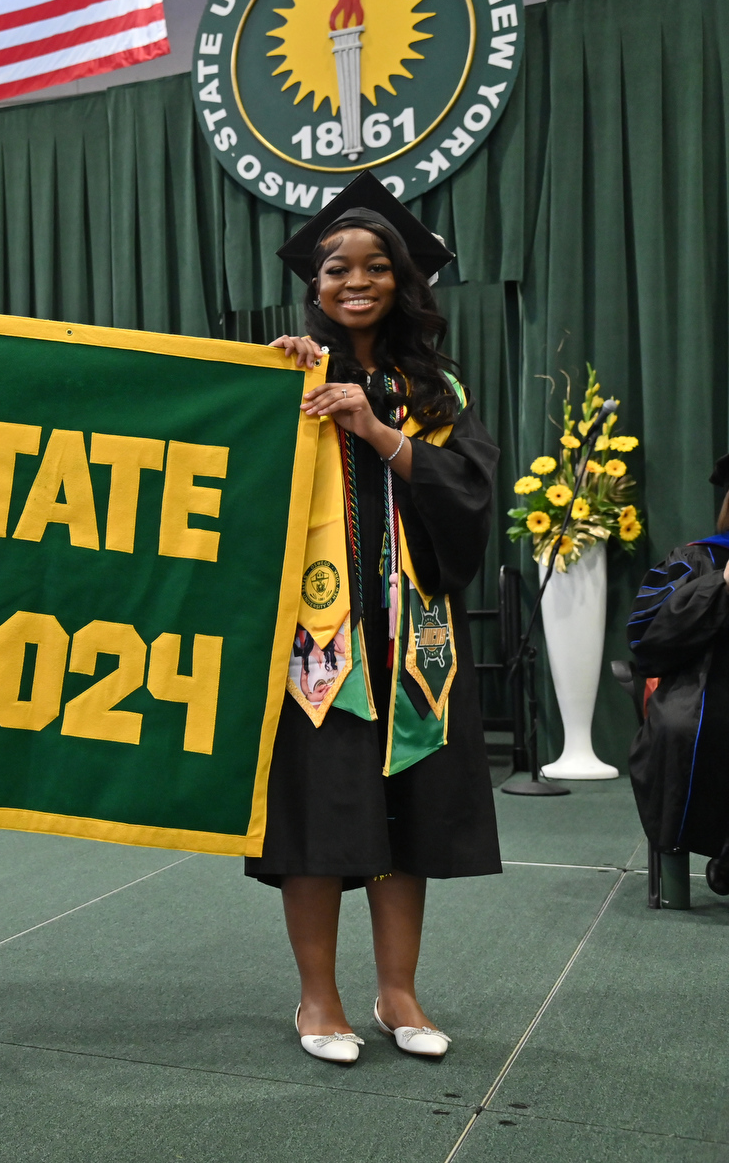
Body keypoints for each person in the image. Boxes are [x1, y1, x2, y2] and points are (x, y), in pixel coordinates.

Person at [257, 171, 500, 1064]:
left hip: (414, 644)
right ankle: (317, 1000)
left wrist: (379, 429)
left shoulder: (437, 396)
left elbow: (472, 502)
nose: (354, 281)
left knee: (408, 821)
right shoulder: (287, 375)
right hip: (316, 646)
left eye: (374, 267)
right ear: (313, 288)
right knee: (321, 821)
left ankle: (397, 992)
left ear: (402, 280)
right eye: (334, 270)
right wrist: (278, 396)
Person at [627, 452, 729, 895]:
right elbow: (647, 638)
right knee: (687, 728)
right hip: (703, 690)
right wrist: (721, 584)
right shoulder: (697, 559)